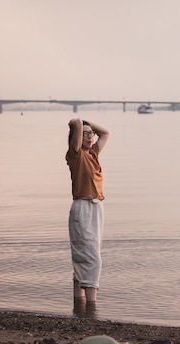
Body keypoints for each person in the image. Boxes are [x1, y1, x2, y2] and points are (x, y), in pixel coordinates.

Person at [66, 118, 110, 311]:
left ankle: (79, 303)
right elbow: (75, 123)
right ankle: (92, 307)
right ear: (76, 137)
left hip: (97, 207)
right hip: (82, 206)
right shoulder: (75, 155)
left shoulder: (93, 153)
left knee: (86, 254)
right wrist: (77, 122)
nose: (90, 136)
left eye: (91, 133)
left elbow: (106, 133)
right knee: (92, 258)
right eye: (85, 134)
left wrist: (89, 123)